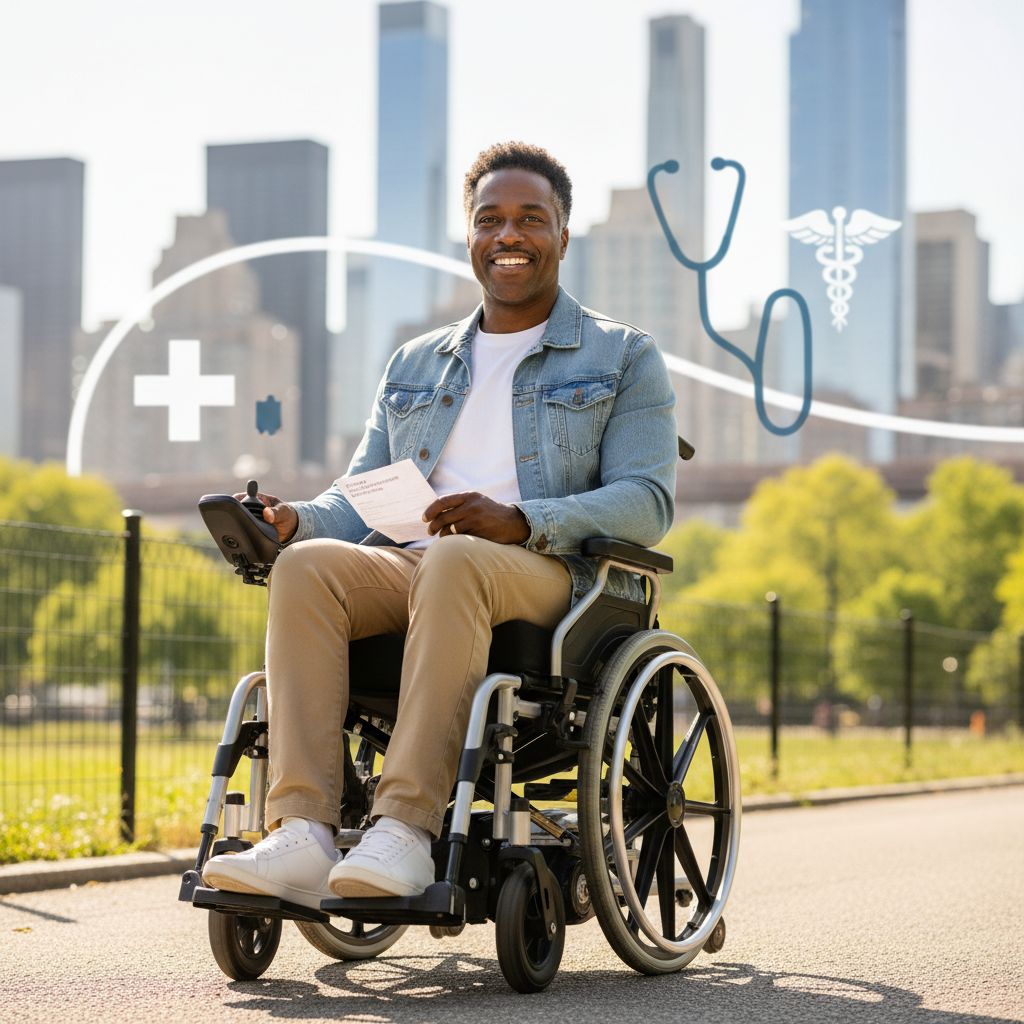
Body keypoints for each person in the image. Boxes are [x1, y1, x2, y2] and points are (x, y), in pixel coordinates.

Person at [202, 141, 678, 909]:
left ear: (562, 233)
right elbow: (358, 497)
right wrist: (295, 519)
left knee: (457, 560)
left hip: (547, 575)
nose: (509, 235)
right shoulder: (416, 363)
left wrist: (521, 520)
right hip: (413, 567)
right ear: (470, 234)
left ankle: (406, 831)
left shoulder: (622, 357)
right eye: (491, 219)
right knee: (307, 566)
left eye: (531, 218)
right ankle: (302, 831)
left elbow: (647, 500)